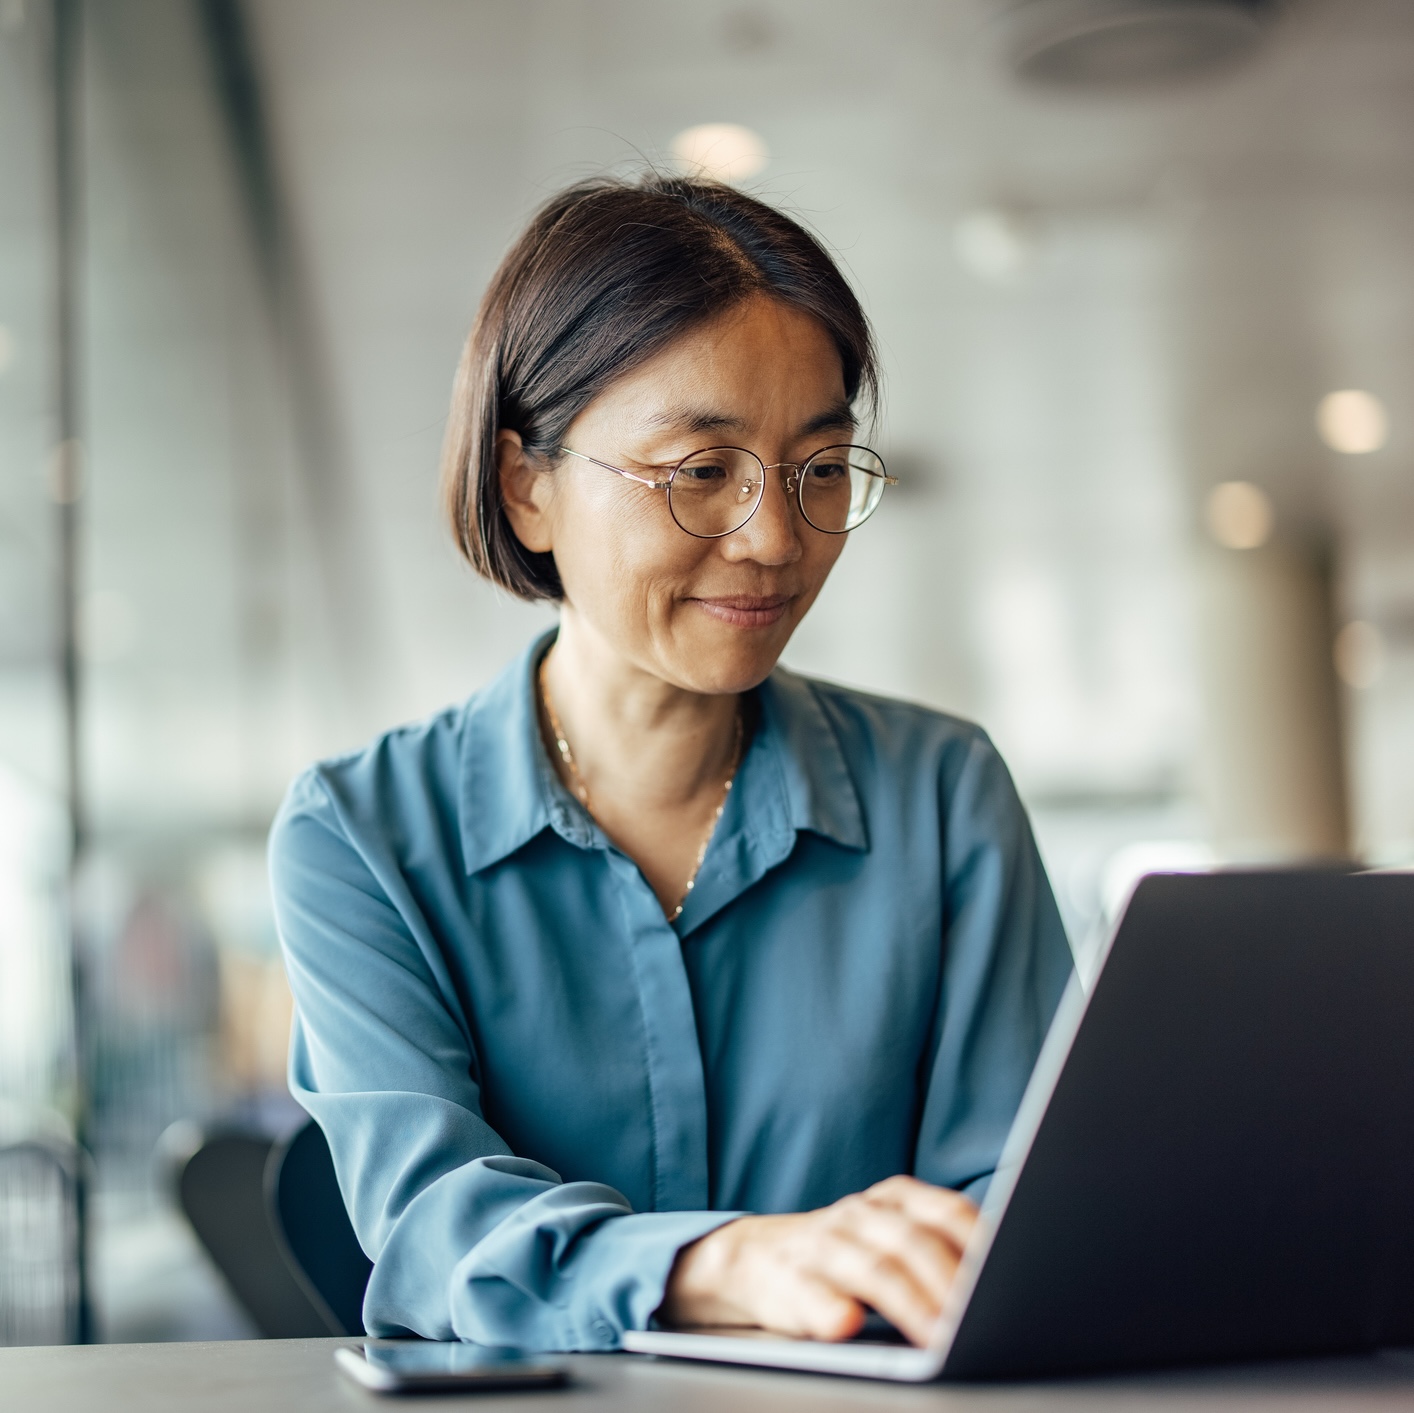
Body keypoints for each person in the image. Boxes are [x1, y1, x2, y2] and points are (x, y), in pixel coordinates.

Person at [269, 173, 1073, 1354]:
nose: (774, 540)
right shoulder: (362, 834)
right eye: (702, 471)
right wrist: (729, 1261)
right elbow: (434, 1228)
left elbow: (1018, 1202)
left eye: (816, 469)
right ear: (525, 485)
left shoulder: (940, 795)